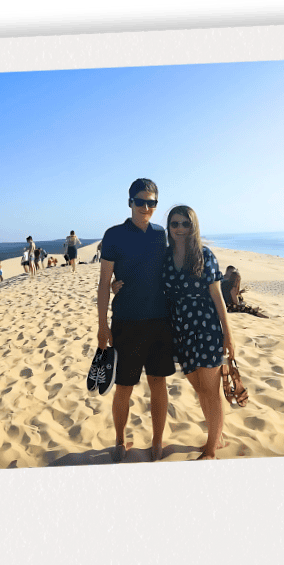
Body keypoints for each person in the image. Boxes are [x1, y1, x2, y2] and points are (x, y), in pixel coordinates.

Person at [97, 178, 173, 462]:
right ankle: (119, 439)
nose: (145, 207)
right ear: (130, 202)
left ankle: (157, 442)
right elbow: (104, 283)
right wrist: (102, 326)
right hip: (126, 322)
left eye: (151, 203)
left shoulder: (160, 234)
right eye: (140, 201)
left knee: (158, 384)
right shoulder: (114, 235)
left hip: (159, 321)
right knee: (124, 387)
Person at [163, 205, 233, 460]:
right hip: (180, 329)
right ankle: (219, 434)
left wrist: (228, 334)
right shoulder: (165, 256)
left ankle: (211, 448)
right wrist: (117, 285)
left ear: (193, 227)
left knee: (211, 390)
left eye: (185, 224)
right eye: (175, 224)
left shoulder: (204, 254)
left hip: (206, 327)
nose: (180, 229)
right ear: (169, 227)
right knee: (199, 387)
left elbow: (218, 296)